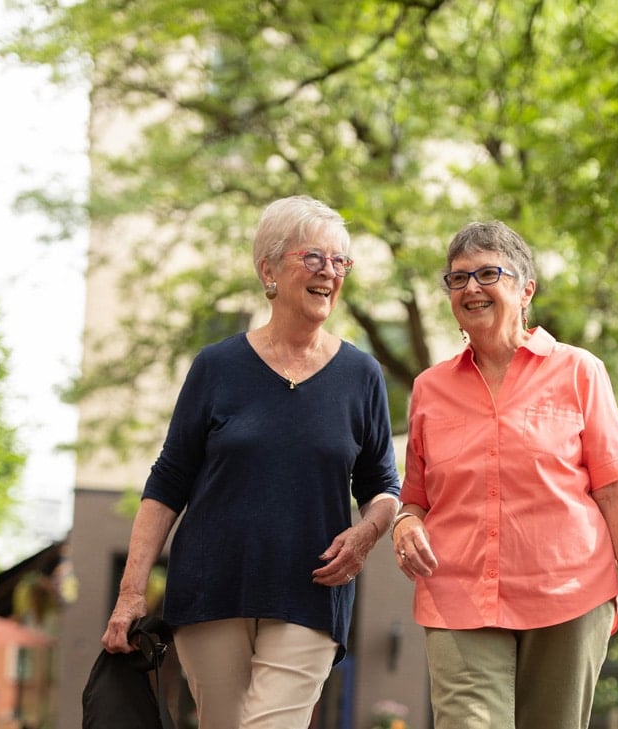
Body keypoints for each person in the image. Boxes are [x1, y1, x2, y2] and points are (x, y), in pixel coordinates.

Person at [102, 195, 401, 729]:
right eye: (313, 258)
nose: (329, 273)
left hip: (313, 592)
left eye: (340, 262)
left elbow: (382, 483)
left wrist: (368, 532)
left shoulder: (362, 375)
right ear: (269, 268)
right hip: (211, 589)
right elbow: (168, 481)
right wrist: (129, 595)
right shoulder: (216, 367)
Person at [391, 220, 618, 729]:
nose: (470, 288)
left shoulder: (579, 371)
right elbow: (415, 498)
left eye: (487, 274)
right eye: (457, 279)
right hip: (458, 594)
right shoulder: (429, 388)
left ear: (526, 289)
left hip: (567, 595)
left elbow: (614, 493)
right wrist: (405, 523)